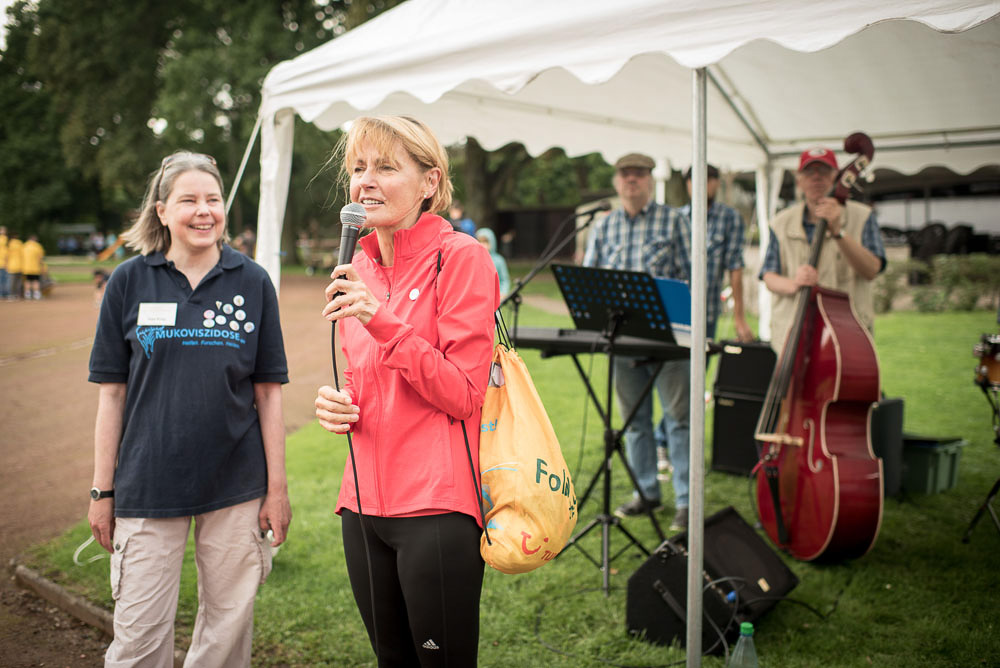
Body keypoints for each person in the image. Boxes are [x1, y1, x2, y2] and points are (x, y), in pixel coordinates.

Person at [87, 150, 291, 667]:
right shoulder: (129, 281)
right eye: (189, 200)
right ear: (161, 211)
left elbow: (268, 392)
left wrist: (277, 490)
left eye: (214, 199)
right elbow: (111, 394)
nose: (204, 211)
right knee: (137, 642)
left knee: (226, 635)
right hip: (147, 482)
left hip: (237, 485)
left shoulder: (253, 282)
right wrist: (101, 491)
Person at [314, 115, 500, 666]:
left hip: (436, 508)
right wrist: (336, 404)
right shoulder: (356, 266)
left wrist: (382, 320)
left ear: (430, 183)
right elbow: (362, 376)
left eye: (386, 168)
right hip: (362, 504)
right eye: (358, 168)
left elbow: (466, 392)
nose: (365, 181)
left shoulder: (462, 258)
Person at [582, 152, 692, 530]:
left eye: (640, 174)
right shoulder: (604, 226)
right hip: (623, 339)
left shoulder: (675, 220)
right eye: (626, 174)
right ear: (616, 181)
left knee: (679, 419)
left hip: (669, 339)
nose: (632, 180)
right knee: (633, 421)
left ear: (650, 180)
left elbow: (695, 276)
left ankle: (686, 501)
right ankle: (646, 493)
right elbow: (590, 279)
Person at [760, 147, 886, 353]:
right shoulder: (780, 222)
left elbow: (872, 269)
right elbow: (768, 276)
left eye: (824, 171)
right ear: (799, 180)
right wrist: (794, 283)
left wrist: (839, 231)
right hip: (792, 333)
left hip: (846, 333)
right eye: (809, 172)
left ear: (836, 177)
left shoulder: (863, 217)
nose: (816, 177)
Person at [475, 226, 511, 296]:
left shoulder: (499, 260)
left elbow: (504, 280)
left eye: (485, 242)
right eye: (480, 241)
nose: (483, 244)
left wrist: (502, 293)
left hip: (494, 297)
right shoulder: (474, 259)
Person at [21, 234, 46, 300]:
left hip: (26, 267)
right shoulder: (38, 246)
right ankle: (36, 294)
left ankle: (27, 294)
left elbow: (21, 257)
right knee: (36, 281)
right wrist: (43, 267)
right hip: (35, 267)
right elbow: (41, 258)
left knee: (27, 281)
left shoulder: (24, 246)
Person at [7, 233, 23, 301]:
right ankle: (17, 295)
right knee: (18, 282)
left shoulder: (9, 244)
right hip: (20, 265)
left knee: (12, 282)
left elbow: (7, 255)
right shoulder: (20, 244)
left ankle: (11, 295)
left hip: (12, 266)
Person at [0, 226, 8, 299]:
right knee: (3, 279)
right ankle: (3, 294)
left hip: (5, 263)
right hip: (3, 263)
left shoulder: (6, 239)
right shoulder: (5, 240)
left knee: (3, 279)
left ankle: (3, 293)